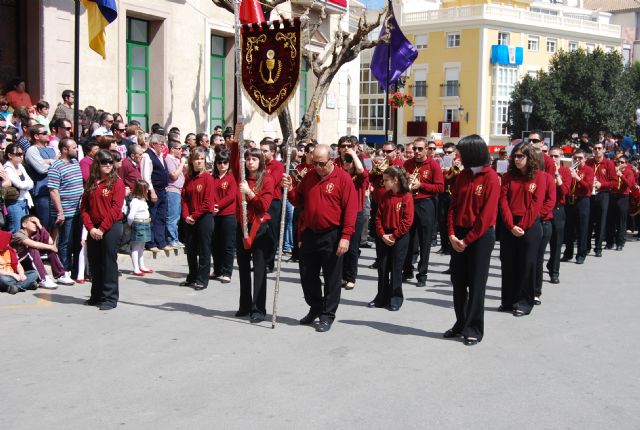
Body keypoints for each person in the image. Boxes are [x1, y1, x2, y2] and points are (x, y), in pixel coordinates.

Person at [283, 144, 357, 332]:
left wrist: (346, 236)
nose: (317, 166)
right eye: (314, 162)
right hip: (309, 232)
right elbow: (298, 201)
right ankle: (315, 305)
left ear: (331, 161)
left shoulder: (343, 178)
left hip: (332, 234)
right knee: (307, 275)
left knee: (332, 277)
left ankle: (327, 314)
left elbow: (350, 210)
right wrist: (291, 188)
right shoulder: (309, 177)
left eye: (321, 163)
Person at [445, 135, 500, 345]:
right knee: (458, 282)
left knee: (476, 284)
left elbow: (486, 217)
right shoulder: (462, 176)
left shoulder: (491, 178)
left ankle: (474, 328)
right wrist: (451, 233)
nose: (458, 156)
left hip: (479, 238)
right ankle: (461, 322)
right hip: (458, 233)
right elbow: (453, 206)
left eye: (461, 153)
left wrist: (466, 241)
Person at [230, 138, 275, 323]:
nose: (250, 162)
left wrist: (249, 192)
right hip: (242, 227)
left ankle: (258, 309)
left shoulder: (268, 179)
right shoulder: (241, 178)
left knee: (259, 269)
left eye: (254, 159)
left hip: (260, 228)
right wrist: (235, 141)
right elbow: (234, 160)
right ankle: (245, 305)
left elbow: (263, 205)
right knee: (242, 268)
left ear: (260, 162)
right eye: (247, 159)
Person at [499, 142, 546, 317]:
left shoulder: (539, 177)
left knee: (527, 264)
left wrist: (522, 226)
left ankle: (525, 302)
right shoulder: (508, 177)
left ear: (529, 158)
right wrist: (511, 225)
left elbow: (536, 204)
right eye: (515, 156)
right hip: (510, 224)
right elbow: (503, 201)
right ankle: (508, 300)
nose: (517, 159)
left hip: (530, 225)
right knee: (509, 263)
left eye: (521, 156)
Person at [80, 150, 126, 310]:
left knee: (108, 262)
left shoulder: (117, 182)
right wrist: (91, 228)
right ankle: (96, 295)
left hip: (111, 227)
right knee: (95, 261)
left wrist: (102, 229)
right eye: (104, 162)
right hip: (94, 228)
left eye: (110, 162)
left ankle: (110, 297)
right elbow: (84, 208)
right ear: (97, 164)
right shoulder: (91, 183)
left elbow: (115, 209)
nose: (107, 165)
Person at [368, 166, 413, 311]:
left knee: (396, 268)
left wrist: (394, 236)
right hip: (384, 236)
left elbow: (407, 221)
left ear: (395, 180)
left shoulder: (406, 196)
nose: (384, 183)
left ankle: (395, 298)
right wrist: (382, 234)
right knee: (382, 267)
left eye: (386, 180)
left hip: (399, 237)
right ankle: (381, 297)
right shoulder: (385, 196)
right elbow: (378, 216)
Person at [403, 138, 444, 287]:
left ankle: (423, 274)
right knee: (407, 238)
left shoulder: (433, 164)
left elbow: (440, 187)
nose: (417, 152)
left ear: (426, 149)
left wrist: (421, 185)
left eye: (420, 149)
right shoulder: (407, 164)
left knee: (424, 241)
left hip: (426, 203)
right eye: (415, 149)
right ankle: (407, 270)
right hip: (409, 202)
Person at [48, 138, 83, 281]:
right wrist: (60, 212)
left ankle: (75, 270)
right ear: (64, 150)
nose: (77, 150)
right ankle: (63, 271)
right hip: (65, 211)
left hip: (78, 210)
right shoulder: (56, 166)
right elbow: (53, 191)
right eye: (74, 148)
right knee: (65, 242)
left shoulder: (75, 163)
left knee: (76, 241)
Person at [180, 148, 215, 291]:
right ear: (192, 161)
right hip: (190, 219)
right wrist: (186, 215)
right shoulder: (188, 179)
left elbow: (207, 202)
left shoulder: (208, 178)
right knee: (191, 249)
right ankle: (192, 276)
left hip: (204, 218)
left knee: (204, 249)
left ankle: (202, 279)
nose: (199, 161)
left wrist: (194, 216)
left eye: (201, 158)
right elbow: (184, 199)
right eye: (196, 159)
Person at [11, 214, 73, 288]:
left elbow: (50, 241)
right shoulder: (18, 234)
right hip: (17, 262)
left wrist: (40, 226)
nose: (35, 224)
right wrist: (51, 247)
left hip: (28, 261)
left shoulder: (35, 233)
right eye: (33, 222)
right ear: (24, 224)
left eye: (36, 222)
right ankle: (43, 279)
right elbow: (34, 244)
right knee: (33, 249)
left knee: (49, 250)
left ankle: (60, 275)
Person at [340, 147, 369, 290]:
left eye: (349, 161)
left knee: (352, 248)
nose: (346, 163)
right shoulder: (341, 174)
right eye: (345, 160)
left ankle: (351, 277)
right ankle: (342, 276)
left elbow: (361, 171)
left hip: (356, 214)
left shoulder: (360, 177)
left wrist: (354, 155)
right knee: (341, 247)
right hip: (341, 214)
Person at [562, 150, 595, 264]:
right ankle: (568, 253)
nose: (577, 160)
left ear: (585, 159)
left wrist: (577, 178)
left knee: (582, 228)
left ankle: (581, 254)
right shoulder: (569, 169)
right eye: (575, 158)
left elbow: (589, 188)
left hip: (582, 200)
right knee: (568, 229)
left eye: (580, 158)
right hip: (570, 200)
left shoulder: (589, 170)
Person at [585, 142, 616, 257]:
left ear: (604, 150)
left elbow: (614, 182)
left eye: (599, 148)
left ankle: (598, 248)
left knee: (601, 222)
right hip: (589, 195)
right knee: (588, 221)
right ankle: (586, 246)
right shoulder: (589, 163)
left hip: (603, 195)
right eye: (595, 148)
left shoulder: (609, 163)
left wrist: (601, 184)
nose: (597, 150)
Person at [141, 133, 170, 252]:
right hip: (154, 190)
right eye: (161, 144)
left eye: (163, 144)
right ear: (153, 144)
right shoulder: (147, 156)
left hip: (163, 190)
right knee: (152, 216)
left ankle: (161, 241)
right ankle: (151, 242)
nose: (163, 146)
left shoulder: (160, 156)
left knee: (161, 216)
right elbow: (146, 176)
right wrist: (151, 191)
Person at [546, 146, 571, 284]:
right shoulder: (544, 171)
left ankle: (554, 271)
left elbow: (565, 191)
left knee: (556, 243)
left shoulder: (565, 171)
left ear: (561, 157)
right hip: (545, 209)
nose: (554, 159)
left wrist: (556, 174)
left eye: (556, 156)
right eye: (552, 156)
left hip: (558, 209)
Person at [211, 150, 237, 283]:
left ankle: (227, 272)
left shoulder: (232, 177)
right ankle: (217, 270)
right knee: (215, 244)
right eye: (219, 162)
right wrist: (212, 206)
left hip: (228, 215)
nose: (222, 165)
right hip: (214, 214)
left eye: (225, 162)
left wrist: (218, 206)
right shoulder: (212, 178)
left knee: (228, 244)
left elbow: (231, 196)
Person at [24, 124, 56, 228]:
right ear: (36, 136)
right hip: (42, 193)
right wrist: (54, 161)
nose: (48, 134)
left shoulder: (52, 148)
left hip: (56, 192)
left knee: (56, 225)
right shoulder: (32, 150)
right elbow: (41, 169)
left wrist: (49, 162)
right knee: (45, 225)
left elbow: (63, 163)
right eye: (44, 133)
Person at [260, 139, 285, 274]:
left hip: (273, 202)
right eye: (261, 150)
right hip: (259, 200)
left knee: (271, 233)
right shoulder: (258, 164)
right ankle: (260, 261)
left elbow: (273, 181)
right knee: (259, 232)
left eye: (265, 151)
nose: (262, 153)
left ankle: (269, 262)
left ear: (273, 152)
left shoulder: (277, 166)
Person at [606, 155, 635, 251]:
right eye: (618, 162)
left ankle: (620, 242)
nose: (620, 164)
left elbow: (630, 184)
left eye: (622, 162)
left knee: (621, 221)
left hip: (623, 197)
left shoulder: (629, 172)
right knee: (611, 220)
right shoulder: (614, 170)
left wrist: (621, 175)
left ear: (626, 164)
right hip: (613, 195)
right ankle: (610, 242)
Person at [3, 143, 34, 233]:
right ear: (10, 155)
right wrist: (26, 185)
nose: (22, 157)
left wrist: (26, 185)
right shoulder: (7, 168)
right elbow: (19, 185)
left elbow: (31, 182)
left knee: (24, 230)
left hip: (24, 201)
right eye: (19, 154)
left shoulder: (20, 166)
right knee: (15, 230)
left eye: (22, 154)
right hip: (14, 203)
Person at [0, 230, 39, 294]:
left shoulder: (10, 250)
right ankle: (26, 284)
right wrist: (12, 274)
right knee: (2, 280)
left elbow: (18, 265)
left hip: (14, 277)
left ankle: (16, 287)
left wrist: (21, 273)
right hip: (5, 277)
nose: (8, 243)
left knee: (34, 273)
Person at [127, 180, 153, 276]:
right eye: (146, 190)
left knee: (142, 246)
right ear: (141, 190)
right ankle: (136, 268)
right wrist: (131, 225)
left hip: (145, 223)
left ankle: (142, 266)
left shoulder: (143, 200)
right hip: (139, 224)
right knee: (136, 247)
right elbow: (130, 216)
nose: (147, 191)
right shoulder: (135, 201)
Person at [165, 138, 186, 248]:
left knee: (177, 216)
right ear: (172, 149)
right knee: (172, 216)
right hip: (172, 190)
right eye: (179, 149)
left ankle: (175, 238)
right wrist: (182, 164)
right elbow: (173, 175)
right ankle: (171, 239)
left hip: (179, 191)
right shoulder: (169, 159)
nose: (181, 151)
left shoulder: (176, 160)